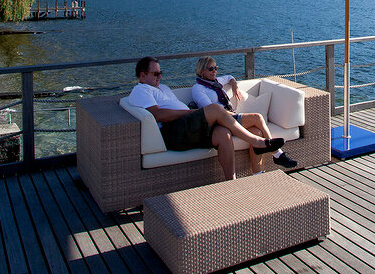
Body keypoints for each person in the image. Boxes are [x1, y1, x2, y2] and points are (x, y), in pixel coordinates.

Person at [127, 57, 286, 181]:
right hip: (174, 131)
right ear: (142, 75)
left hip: (189, 127)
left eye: (160, 73)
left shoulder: (163, 88)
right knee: (216, 108)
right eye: (155, 73)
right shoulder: (141, 90)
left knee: (223, 133)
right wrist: (189, 113)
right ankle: (257, 142)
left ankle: (231, 181)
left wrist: (190, 112)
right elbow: (158, 114)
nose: (159, 76)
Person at [191, 56, 298, 170]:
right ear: (202, 71)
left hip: (229, 117)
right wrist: (230, 114)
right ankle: (277, 154)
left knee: (257, 132)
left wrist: (234, 85)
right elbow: (211, 110)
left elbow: (229, 77)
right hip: (220, 122)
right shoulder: (198, 89)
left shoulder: (216, 82)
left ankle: (257, 174)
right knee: (257, 118)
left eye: (215, 68)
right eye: (210, 69)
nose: (215, 71)